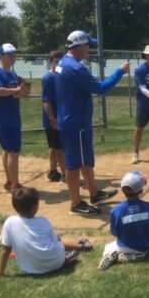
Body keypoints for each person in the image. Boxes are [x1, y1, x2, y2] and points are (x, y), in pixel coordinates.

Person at [56, 30, 129, 216]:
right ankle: (76, 203)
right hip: (75, 123)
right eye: (88, 46)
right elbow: (100, 88)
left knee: (85, 160)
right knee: (74, 164)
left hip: (74, 120)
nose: (89, 50)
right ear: (79, 46)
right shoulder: (75, 68)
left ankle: (94, 193)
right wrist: (119, 72)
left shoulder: (63, 63)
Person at [0, 187, 92, 279]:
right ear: (35, 207)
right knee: (58, 243)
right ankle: (81, 246)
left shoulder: (9, 222)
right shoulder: (43, 221)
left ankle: (71, 253)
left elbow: (5, 250)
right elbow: (56, 242)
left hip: (29, 269)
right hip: (56, 263)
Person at [0, 43, 28, 193]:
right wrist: (17, 89)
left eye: (14, 55)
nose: (13, 57)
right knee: (14, 152)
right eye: (9, 55)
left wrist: (20, 93)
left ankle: (9, 181)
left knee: (7, 150)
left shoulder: (12, 74)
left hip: (11, 117)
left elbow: (14, 94)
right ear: (0, 56)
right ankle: (15, 186)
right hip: (5, 119)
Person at [99, 171, 149, 270]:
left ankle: (118, 255)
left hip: (125, 245)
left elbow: (114, 233)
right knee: (142, 246)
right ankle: (141, 254)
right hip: (145, 244)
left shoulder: (116, 210)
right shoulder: (148, 206)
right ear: (141, 191)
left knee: (108, 248)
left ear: (122, 190)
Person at [41, 50, 65, 182]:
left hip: (61, 116)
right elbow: (46, 100)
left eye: (61, 62)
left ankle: (53, 171)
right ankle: (65, 174)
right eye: (56, 61)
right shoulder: (49, 77)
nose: (58, 64)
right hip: (53, 118)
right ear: (50, 62)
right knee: (58, 147)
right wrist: (52, 118)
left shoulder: (61, 74)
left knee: (55, 146)